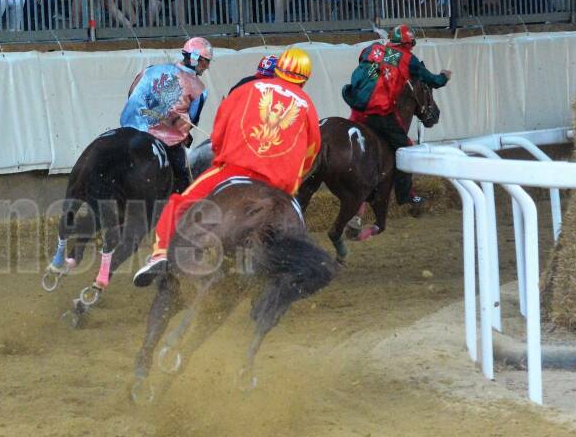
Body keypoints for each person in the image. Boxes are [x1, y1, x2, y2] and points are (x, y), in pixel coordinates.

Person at [133, 46, 320, 286]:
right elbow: (311, 152)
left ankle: (160, 255)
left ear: (278, 69)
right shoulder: (307, 105)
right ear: (304, 79)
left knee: (180, 203)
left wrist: (222, 153)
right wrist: (292, 181)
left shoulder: (247, 89)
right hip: (277, 183)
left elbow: (220, 130)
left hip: (235, 169)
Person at [344, 24, 451, 211]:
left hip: (356, 108)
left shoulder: (372, 49)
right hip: (379, 114)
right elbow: (433, 80)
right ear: (408, 43)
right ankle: (406, 196)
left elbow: (365, 63)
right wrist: (444, 76)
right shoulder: (408, 60)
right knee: (406, 148)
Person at [119, 37, 212, 201]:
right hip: (165, 138)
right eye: (205, 62)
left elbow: (131, 93)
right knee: (182, 175)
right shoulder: (200, 90)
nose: (207, 66)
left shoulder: (150, 69)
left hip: (130, 126)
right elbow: (192, 121)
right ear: (195, 59)